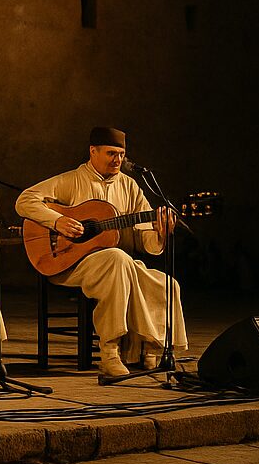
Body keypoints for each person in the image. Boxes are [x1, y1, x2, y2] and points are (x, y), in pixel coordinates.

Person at [16, 126, 186, 379]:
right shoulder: (71, 180)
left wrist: (161, 232)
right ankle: (110, 352)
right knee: (118, 259)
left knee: (167, 283)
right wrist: (57, 221)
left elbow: (145, 242)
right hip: (71, 263)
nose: (117, 159)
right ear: (93, 151)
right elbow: (24, 200)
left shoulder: (130, 186)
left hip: (117, 265)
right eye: (111, 153)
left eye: (121, 154)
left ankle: (151, 346)